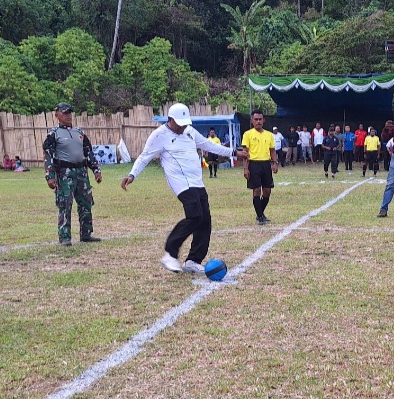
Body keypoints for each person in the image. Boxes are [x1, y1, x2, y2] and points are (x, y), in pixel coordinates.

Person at [121, 103, 247, 273]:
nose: (182, 126)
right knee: (195, 216)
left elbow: (208, 145)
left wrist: (233, 152)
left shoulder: (189, 131)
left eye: (185, 122)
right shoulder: (159, 135)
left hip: (197, 181)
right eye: (179, 123)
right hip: (180, 182)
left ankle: (193, 261)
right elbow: (144, 157)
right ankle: (170, 254)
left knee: (205, 221)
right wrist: (132, 175)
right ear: (170, 120)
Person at [43, 102, 103, 246]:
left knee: (86, 203)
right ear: (56, 115)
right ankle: (65, 238)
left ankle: (86, 234)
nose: (68, 116)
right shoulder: (54, 134)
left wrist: (96, 170)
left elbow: (88, 152)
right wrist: (50, 176)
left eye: (70, 113)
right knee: (65, 204)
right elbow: (48, 156)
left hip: (82, 172)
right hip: (64, 173)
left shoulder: (79, 133)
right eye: (65, 113)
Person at [242, 110, 279, 225]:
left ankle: (260, 213)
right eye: (256, 119)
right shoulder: (247, 134)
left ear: (264, 120)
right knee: (256, 190)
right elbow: (245, 153)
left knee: (267, 191)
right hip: (253, 164)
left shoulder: (269, 135)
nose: (258, 121)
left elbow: (272, 150)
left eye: (260, 119)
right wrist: (246, 168)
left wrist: (275, 163)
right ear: (252, 121)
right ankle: (260, 216)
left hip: (266, 164)